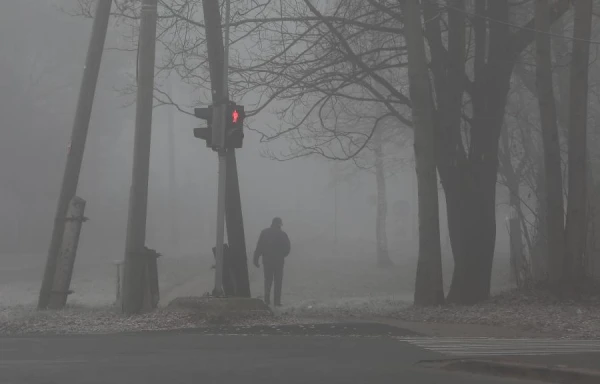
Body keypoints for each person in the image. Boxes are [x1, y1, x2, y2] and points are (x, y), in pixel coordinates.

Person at [253, 217, 290, 306]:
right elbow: (288, 248)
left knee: (268, 280)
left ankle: (266, 301)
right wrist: (282, 255)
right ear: (279, 224)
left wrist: (256, 259)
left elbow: (259, 247)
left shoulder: (264, 232)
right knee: (278, 282)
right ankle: (277, 302)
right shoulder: (282, 234)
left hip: (267, 261)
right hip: (279, 262)